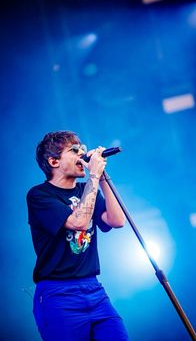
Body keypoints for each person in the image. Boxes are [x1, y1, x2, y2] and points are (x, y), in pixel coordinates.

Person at [27, 130, 129, 341]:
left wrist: (100, 179)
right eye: (75, 150)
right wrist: (93, 177)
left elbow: (117, 220)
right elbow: (78, 223)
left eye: (83, 148)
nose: (82, 153)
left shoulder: (87, 188)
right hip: (59, 294)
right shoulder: (39, 195)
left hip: (94, 290)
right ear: (54, 162)